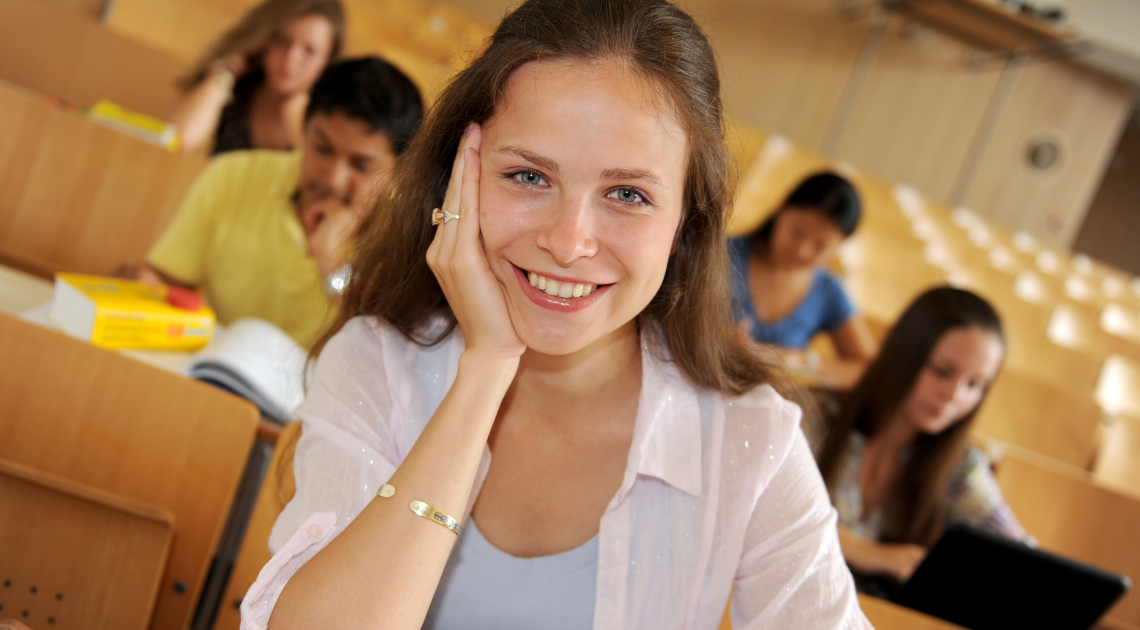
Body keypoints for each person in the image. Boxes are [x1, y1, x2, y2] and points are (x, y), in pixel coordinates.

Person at [240, 1, 870, 628]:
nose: (570, 242)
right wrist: (485, 370)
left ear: (686, 222)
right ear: (458, 184)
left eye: (627, 194)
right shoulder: (375, 361)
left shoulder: (747, 438)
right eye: (527, 176)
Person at [140, 57, 423, 346]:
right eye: (322, 148)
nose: (334, 178)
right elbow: (167, 281)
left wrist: (335, 267)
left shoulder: (408, 238)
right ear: (303, 128)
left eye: (361, 165)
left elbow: (382, 349)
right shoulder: (233, 176)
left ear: (400, 172)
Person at [813, 287, 1028, 590]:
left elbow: (1018, 555)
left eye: (975, 384)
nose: (954, 395)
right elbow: (769, 514)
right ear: (904, 355)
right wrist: (869, 553)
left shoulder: (960, 465)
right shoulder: (816, 418)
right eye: (942, 371)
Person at [728, 172, 875, 389]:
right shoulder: (722, 254)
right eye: (796, 232)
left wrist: (797, 361)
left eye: (820, 245)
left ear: (839, 247)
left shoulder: (828, 290)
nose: (802, 250)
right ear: (780, 209)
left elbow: (868, 368)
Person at [168, 0, 345, 154]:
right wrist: (224, 75)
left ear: (328, 62)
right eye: (283, 41)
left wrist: (294, 114)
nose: (291, 59)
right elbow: (179, 140)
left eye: (309, 51)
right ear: (264, 39)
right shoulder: (239, 89)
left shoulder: (325, 120)